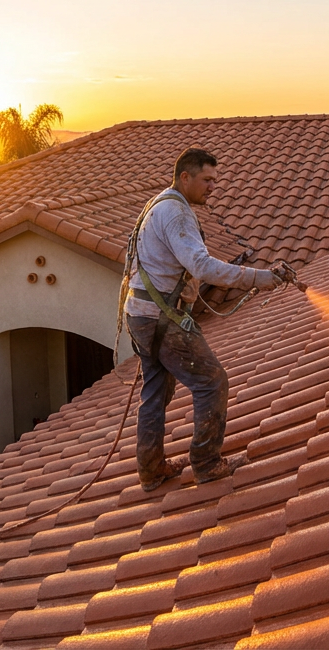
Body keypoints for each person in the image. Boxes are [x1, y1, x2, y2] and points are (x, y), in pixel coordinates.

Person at [122, 147, 291, 491]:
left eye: (215, 180)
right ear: (185, 177)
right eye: (207, 179)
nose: (213, 187)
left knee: (156, 390)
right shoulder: (176, 213)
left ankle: (151, 470)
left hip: (140, 316)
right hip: (161, 318)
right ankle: (207, 464)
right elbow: (202, 266)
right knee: (212, 381)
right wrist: (259, 278)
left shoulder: (158, 204)